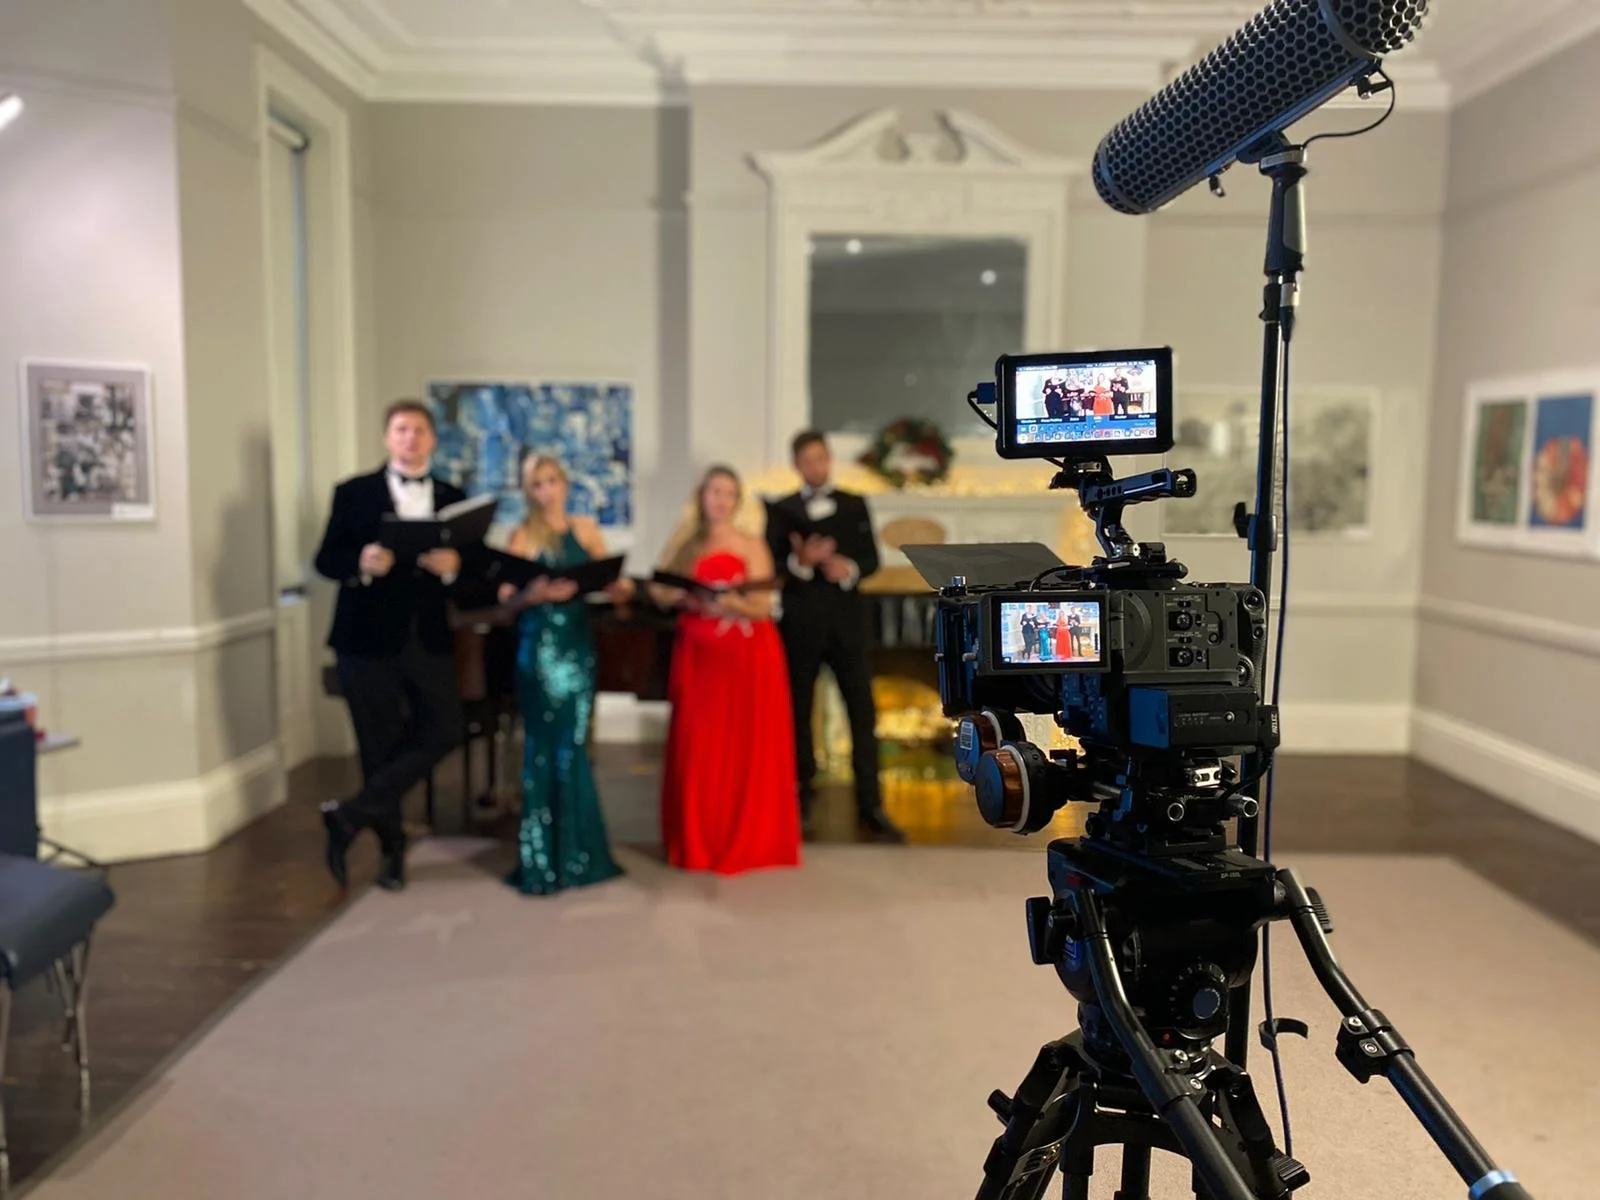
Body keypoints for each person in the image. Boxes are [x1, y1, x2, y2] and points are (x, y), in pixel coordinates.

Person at [313, 399, 470, 892]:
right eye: (401, 429)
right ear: (387, 438)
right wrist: (361, 561)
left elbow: (474, 576)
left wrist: (455, 569)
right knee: (377, 745)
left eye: (420, 430)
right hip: (365, 639)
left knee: (447, 728)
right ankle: (392, 854)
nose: (411, 438)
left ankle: (350, 815)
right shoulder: (353, 492)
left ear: (433, 440)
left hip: (426, 636)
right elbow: (325, 559)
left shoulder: (453, 495)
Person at [653, 466, 801, 875]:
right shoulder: (685, 542)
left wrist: (729, 603)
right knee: (698, 748)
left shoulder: (751, 544)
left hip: (746, 658)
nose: (720, 500)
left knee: (743, 748)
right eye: (714, 491)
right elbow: (659, 590)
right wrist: (687, 598)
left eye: (728, 494)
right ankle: (697, 841)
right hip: (698, 657)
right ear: (702, 496)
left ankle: (745, 839)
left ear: (736, 502)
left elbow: (763, 606)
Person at [495, 454, 632, 896]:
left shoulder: (585, 530)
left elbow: (611, 582)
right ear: (528, 491)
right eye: (537, 484)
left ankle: (580, 853)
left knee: (573, 746)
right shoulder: (521, 536)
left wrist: (617, 587)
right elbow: (505, 603)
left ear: (565, 484)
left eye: (552, 481)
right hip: (537, 648)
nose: (546, 490)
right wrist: (532, 594)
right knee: (541, 746)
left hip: (577, 647)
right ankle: (542, 859)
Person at [765, 430, 905, 843]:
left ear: (828, 460)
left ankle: (871, 806)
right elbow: (773, 566)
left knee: (862, 714)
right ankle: (800, 801)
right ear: (797, 465)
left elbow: (872, 560)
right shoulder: (781, 510)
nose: (815, 466)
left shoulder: (853, 503)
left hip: (848, 627)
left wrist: (848, 569)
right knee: (798, 715)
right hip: (800, 627)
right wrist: (800, 561)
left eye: (821, 458)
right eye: (807, 460)